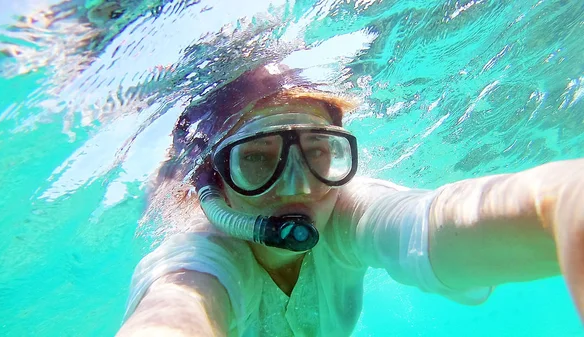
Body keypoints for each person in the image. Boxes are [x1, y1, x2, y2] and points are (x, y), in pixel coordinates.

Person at [116, 63, 584, 337]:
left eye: (320, 153)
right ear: (213, 184)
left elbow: (433, 220)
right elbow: (175, 308)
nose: (299, 187)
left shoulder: (349, 215)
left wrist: (565, 199)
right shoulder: (200, 258)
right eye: (258, 159)